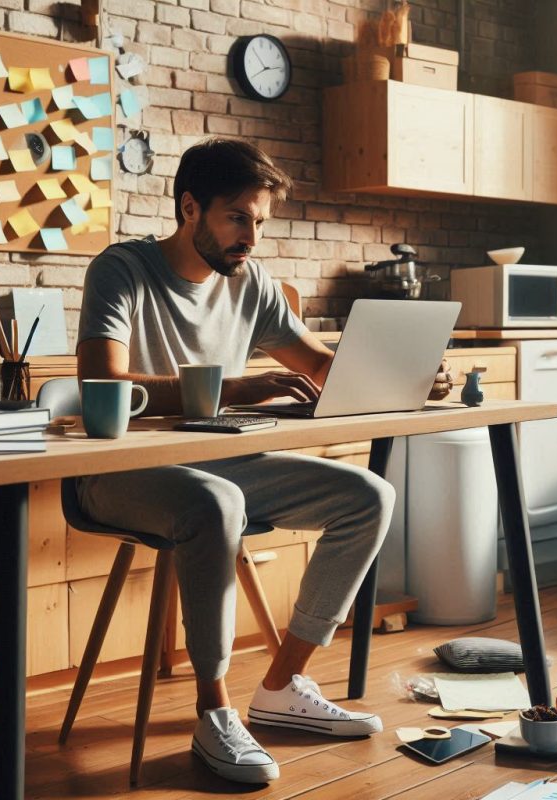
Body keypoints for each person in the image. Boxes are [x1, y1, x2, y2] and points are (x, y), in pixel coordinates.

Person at [76, 138, 452, 784]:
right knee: (215, 504)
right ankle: (214, 711)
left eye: (259, 221)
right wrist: (235, 387)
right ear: (189, 208)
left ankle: (283, 683)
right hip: (118, 473)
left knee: (369, 498)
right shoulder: (121, 271)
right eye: (238, 218)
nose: (250, 235)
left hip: (223, 460)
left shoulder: (249, 284)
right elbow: (101, 384)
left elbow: (320, 365)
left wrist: (411, 377)